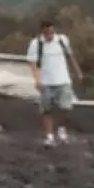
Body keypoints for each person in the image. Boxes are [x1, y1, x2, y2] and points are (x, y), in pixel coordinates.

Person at [26, 19, 83, 147]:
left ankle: (61, 129)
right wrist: (37, 80)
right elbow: (33, 64)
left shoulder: (62, 40)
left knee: (66, 108)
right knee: (47, 110)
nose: (50, 35)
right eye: (47, 33)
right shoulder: (36, 44)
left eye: (52, 32)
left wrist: (78, 71)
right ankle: (49, 137)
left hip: (63, 80)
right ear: (42, 32)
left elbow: (70, 55)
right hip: (46, 82)